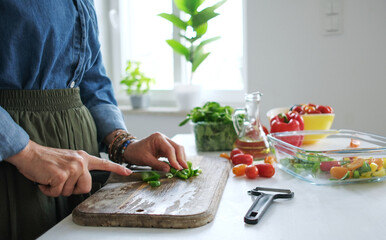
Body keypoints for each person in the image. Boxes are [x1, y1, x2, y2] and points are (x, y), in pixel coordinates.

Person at [0, 1, 188, 239]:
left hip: (81, 165)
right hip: (13, 165)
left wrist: (123, 142)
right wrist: (26, 152)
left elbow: (90, 80)